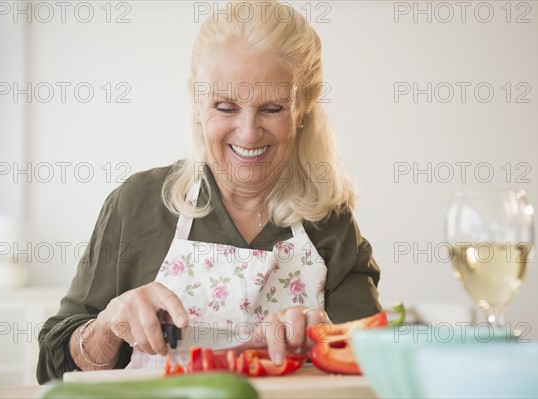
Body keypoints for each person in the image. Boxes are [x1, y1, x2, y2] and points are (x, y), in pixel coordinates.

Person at [37, 0, 382, 383]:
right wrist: (106, 328)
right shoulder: (136, 204)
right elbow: (54, 364)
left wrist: (322, 336)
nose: (249, 133)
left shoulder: (330, 225)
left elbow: (378, 368)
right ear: (198, 104)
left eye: (271, 108)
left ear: (303, 110)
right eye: (226, 106)